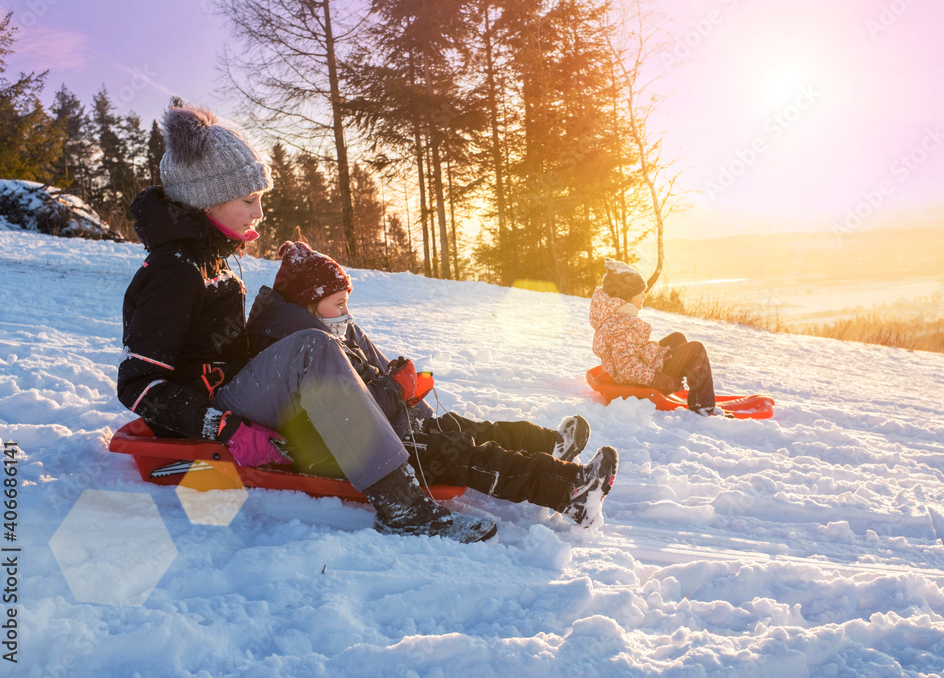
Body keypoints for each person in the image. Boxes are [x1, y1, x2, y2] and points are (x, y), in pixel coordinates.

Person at [118, 105, 499, 543]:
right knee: (311, 348)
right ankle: (402, 506)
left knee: (320, 333)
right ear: (208, 200)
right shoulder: (174, 271)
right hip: (206, 417)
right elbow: (139, 386)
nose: (259, 211)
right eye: (248, 200)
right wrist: (225, 429)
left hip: (230, 396)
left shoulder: (211, 261)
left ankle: (412, 434)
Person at [244, 241, 619, 528]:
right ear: (310, 304)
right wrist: (396, 391)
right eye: (338, 303)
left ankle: (551, 446)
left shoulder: (322, 329)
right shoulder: (300, 345)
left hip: (372, 427)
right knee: (457, 452)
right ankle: (569, 491)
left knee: (455, 428)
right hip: (343, 447)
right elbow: (347, 409)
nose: (346, 312)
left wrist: (406, 394)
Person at [590, 258, 718, 415]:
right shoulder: (621, 326)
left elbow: (630, 353)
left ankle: (689, 387)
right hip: (636, 379)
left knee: (677, 338)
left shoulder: (618, 318)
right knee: (696, 350)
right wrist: (660, 381)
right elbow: (627, 367)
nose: (644, 295)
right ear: (627, 296)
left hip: (641, 365)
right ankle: (702, 406)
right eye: (640, 292)